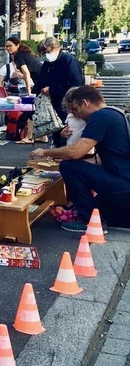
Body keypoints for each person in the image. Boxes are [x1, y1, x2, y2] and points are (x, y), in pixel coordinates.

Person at [31, 85, 130, 230]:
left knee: (68, 167)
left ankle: (89, 221)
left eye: (76, 110)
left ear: (85, 103)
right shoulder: (116, 113)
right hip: (124, 180)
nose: (77, 116)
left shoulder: (100, 116)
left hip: (124, 184)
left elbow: (75, 152)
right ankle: (101, 216)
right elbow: (101, 159)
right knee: (109, 214)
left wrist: (45, 152)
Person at [33, 36, 84, 147]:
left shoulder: (68, 61)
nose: (45, 55)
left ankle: (63, 154)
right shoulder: (47, 64)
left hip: (66, 104)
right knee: (56, 133)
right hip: (52, 105)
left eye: (46, 52)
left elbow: (75, 83)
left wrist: (52, 90)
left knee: (66, 133)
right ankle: (57, 153)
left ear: (55, 48)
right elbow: (41, 79)